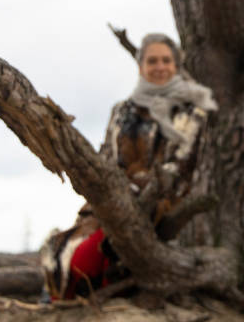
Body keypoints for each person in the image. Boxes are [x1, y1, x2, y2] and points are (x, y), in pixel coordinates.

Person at [40, 33, 217, 300]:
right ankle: (59, 308)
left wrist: (137, 191)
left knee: (85, 261)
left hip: (157, 207)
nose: (159, 67)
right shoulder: (122, 110)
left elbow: (181, 170)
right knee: (59, 253)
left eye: (166, 61)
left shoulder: (190, 112)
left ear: (177, 66)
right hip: (107, 201)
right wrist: (105, 188)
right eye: (152, 61)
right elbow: (105, 157)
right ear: (141, 67)